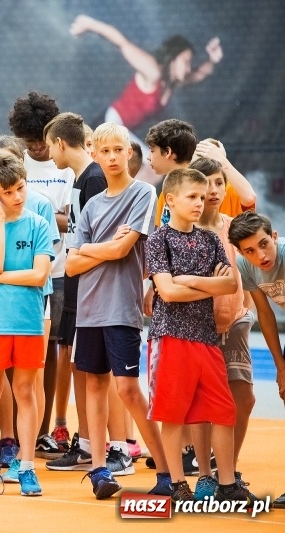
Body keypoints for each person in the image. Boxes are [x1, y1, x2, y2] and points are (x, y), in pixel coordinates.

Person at [65, 122, 169, 499]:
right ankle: (98, 471)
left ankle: (167, 472)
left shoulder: (143, 193)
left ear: (129, 152)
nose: (110, 157)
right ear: (94, 154)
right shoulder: (92, 205)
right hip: (89, 310)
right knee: (94, 385)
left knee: (126, 388)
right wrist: (99, 249)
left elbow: (121, 252)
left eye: (117, 150)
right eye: (103, 151)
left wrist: (89, 250)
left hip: (121, 308)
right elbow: (71, 266)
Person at [145, 168, 253, 503]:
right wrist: (201, 284)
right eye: (192, 196)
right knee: (174, 412)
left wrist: (185, 280)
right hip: (171, 337)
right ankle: (178, 483)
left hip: (206, 338)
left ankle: (226, 482)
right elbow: (166, 291)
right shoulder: (158, 239)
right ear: (171, 199)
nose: (199, 202)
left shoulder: (209, 239)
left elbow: (230, 284)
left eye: (202, 197)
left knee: (222, 410)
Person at [0, 152, 54, 496]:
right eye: (7, 192)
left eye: (20, 188)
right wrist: (1, 222)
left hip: (29, 321)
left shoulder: (39, 224)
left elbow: (38, 276)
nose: (17, 196)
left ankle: (27, 466)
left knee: (25, 392)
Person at [8, 91, 73, 458]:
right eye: (28, 142)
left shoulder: (65, 165)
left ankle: (43, 430)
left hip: (59, 270)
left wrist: (49, 218)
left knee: (48, 353)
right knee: (17, 354)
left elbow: (73, 219)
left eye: (39, 141)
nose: (35, 148)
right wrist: (53, 217)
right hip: (21, 272)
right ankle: (13, 432)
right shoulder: (20, 165)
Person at [189, 157, 258, 501]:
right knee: (201, 403)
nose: (213, 190)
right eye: (206, 183)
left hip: (237, 321)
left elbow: (250, 199)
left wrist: (228, 164)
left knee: (243, 398)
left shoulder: (233, 227)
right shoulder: (183, 230)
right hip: (198, 326)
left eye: (218, 182)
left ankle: (228, 468)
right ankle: (204, 475)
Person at [43, 112, 107, 469]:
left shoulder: (94, 178)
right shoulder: (81, 179)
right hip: (76, 283)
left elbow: (98, 236)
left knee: (93, 370)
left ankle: (100, 445)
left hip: (88, 286)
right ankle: (87, 443)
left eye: (51, 144)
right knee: (78, 364)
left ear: (62, 143)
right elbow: (82, 226)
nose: (50, 152)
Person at [70, 14, 222, 144]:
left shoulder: (172, 83)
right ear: (173, 59)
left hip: (121, 133)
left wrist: (213, 60)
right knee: (152, 165)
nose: (189, 68)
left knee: (153, 165)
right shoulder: (153, 72)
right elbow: (122, 43)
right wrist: (89, 24)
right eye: (186, 62)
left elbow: (199, 74)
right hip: (109, 125)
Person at [228, 211, 285, 508]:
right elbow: (265, 314)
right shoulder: (246, 267)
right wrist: (281, 366)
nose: (261, 255)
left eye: (264, 244)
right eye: (250, 250)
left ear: (274, 237)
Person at [147, 119, 197, 226]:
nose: (148, 157)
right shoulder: (165, 193)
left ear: (167, 152)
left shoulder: (199, 190)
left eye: (152, 151)